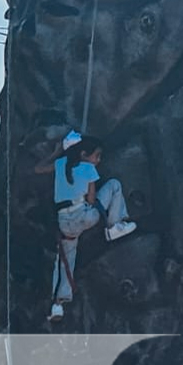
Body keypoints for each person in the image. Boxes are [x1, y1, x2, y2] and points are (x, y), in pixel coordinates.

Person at [36, 132, 136, 322]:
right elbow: (91, 199)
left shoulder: (59, 165)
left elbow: (38, 169)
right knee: (114, 186)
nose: (98, 160)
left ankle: (57, 304)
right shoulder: (89, 169)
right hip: (85, 216)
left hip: (64, 222)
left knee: (65, 259)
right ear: (83, 154)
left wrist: (57, 152)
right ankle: (114, 226)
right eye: (97, 155)